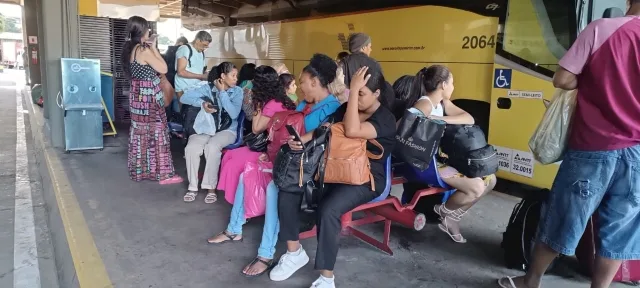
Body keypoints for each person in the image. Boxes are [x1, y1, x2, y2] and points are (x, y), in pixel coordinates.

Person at [499, 2, 640, 288]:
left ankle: (531, 281)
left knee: (563, 218)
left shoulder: (602, 29)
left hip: (593, 146)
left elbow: (562, 79)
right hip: (637, 154)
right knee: (619, 231)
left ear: (629, 2)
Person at [210, 54, 341, 279]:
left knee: (273, 188)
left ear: (314, 82)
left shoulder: (332, 108)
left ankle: (266, 254)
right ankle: (234, 230)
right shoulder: (305, 103)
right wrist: (273, 153)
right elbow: (287, 132)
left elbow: (319, 140)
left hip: (308, 169)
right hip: (288, 161)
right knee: (247, 174)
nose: (298, 86)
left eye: (302, 81)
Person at [273, 61, 396, 288]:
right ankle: (294, 252)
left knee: (329, 209)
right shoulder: (346, 107)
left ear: (377, 93)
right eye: (354, 93)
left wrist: (351, 96)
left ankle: (326, 278)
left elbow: (352, 130)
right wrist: (301, 141)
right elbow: (326, 128)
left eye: (362, 94)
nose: (356, 99)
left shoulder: (385, 119)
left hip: (366, 179)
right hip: (334, 168)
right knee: (290, 186)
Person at [403, 65, 497, 244]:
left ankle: (451, 217)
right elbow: (407, 124)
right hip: (427, 164)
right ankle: (443, 212)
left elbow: (468, 118)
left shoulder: (442, 103)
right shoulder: (425, 103)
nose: (454, 87)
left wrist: (439, 120)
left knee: (490, 180)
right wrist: (428, 120)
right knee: (476, 187)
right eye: (452, 83)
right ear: (443, 85)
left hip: (439, 161)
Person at [216, 65, 296, 204]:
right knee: (229, 155)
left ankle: (240, 203)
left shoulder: (272, 104)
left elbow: (256, 128)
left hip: (271, 150)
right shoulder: (279, 98)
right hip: (273, 146)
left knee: (233, 163)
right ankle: (237, 200)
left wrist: (258, 105)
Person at [120, 16, 183, 185]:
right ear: (143, 30)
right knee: (158, 132)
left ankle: (141, 172)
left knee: (141, 133)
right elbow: (163, 68)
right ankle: (163, 175)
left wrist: (152, 47)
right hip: (149, 98)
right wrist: (154, 48)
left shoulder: (131, 49)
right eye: (148, 28)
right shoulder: (143, 50)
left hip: (138, 97)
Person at [180, 62, 243, 203]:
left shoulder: (237, 91)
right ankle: (193, 187)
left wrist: (222, 93)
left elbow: (233, 114)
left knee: (212, 147)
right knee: (191, 148)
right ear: (223, 76)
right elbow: (184, 98)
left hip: (227, 130)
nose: (236, 79)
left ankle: (210, 188)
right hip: (207, 127)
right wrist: (202, 104)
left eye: (236, 76)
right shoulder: (207, 88)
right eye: (233, 75)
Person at [174, 31, 212, 105]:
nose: (204, 48)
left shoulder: (201, 52)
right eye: (204, 45)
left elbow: (201, 70)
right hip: (183, 87)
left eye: (206, 46)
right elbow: (181, 72)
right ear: (197, 40)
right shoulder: (185, 49)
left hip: (196, 87)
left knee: (193, 112)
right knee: (185, 112)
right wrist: (201, 76)